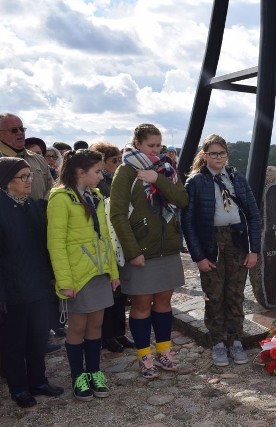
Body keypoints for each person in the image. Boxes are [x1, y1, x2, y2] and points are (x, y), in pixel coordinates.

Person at [110, 123, 188, 379]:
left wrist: (159, 180)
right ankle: (145, 356)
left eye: (158, 145)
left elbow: (182, 199)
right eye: (150, 146)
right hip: (142, 250)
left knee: (164, 303)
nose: (156, 150)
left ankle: (164, 351)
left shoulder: (166, 167)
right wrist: (133, 251)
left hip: (167, 248)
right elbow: (118, 215)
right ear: (138, 144)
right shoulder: (126, 171)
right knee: (142, 305)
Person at [182, 134, 261, 367]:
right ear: (204, 155)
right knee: (215, 294)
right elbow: (188, 222)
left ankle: (236, 340)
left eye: (222, 153)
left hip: (236, 239)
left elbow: (253, 215)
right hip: (211, 242)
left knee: (235, 294)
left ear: (227, 155)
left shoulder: (237, 178)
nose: (218, 157)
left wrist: (253, 249)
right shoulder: (195, 182)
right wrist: (198, 256)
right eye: (213, 153)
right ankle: (218, 342)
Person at [47, 150, 120, 401]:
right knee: (77, 326)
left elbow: (105, 237)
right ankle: (78, 376)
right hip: (78, 275)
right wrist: (65, 281)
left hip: (98, 272)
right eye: (97, 171)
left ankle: (94, 372)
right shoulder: (60, 199)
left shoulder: (96, 196)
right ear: (80, 173)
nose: (101, 176)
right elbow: (56, 244)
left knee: (96, 324)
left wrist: (112, 270)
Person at [0, 157, 64, 408]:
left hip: (38, 284)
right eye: (23, 177)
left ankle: (38, 381)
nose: (29, 181)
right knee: (14, 342)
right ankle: (19, 388)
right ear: (6, 181)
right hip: (11, 289)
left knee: (38, 337)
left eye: (30, 176)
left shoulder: (35, 206)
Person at [89, 142, 134, 353]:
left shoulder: (116, 179)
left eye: (119, 159)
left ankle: (118, 332)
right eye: (114, 160)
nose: (118, 163)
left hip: (118, 241)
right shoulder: (100, 184)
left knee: (120, 292)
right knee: (110, 293)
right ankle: (107, 335)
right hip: (106, 242)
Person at [0, 113, 53, 201]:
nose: (20, 133)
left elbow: (51, 187)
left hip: (40, 212)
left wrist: (41, 206)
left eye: (22, 129)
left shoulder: (38, 159)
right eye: (14, 130)